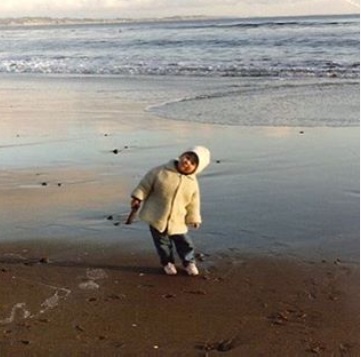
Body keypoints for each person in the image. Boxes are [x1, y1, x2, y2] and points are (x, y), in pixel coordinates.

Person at [130, 146, 210, 276]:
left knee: (184, 242)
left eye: (192, 163)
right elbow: (145, 185)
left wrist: (194, 218)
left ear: (197, 169)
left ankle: (188, 262)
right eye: (187, 157)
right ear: (181, 155)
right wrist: (137, 197)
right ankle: (167, 262)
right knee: (162, 244)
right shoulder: (160, 171)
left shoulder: (192, 183)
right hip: (157, 216)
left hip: (178, 220)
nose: (187, 162)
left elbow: (193, 203)